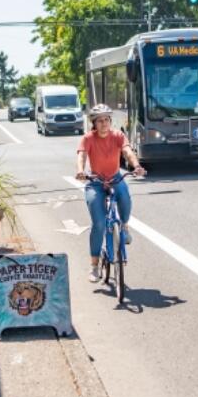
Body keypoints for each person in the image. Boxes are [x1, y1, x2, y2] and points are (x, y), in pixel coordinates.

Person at [74, 104, 145, 284]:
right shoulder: (88, 138)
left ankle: (125, 227)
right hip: (95, 182)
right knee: (98, 223)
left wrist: (136, 166)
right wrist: (81, 170)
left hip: (115, 178)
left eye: (106, 120)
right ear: (94, 123)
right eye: (100, 120)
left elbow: (128, 152)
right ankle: (94, 266)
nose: (104, 123)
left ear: (110, 121)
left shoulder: (118, 136)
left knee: (125, 200)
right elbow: (81, 156)